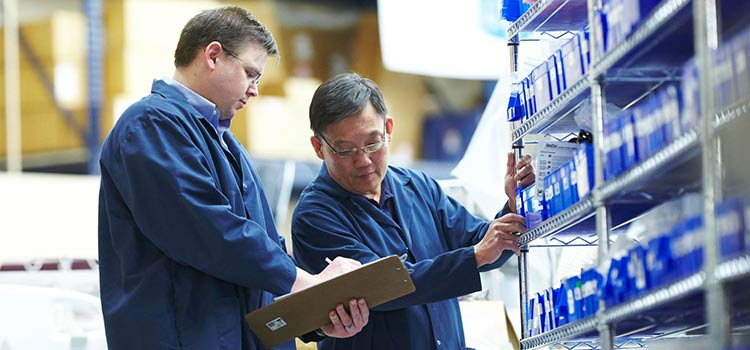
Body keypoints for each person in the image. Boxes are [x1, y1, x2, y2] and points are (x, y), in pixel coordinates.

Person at [98, 7, 369, 350]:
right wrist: (302, 282)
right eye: (250, 74)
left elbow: (264, 251)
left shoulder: (229, 146)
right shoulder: (150, 125)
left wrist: (313, 319)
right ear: (213, 55)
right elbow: (209, 232)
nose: (255, 90)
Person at [291, 72, 535, 350]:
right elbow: (383, 287)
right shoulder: (315, 215)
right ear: (319, 148)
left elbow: (483, 242)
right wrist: (474, 257)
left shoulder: (416, 186)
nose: (363, 160)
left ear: (389, 130)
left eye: (373, 143)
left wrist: (514, 204)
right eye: (345, 150)